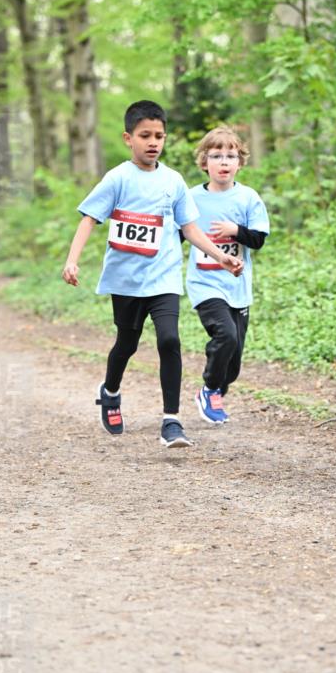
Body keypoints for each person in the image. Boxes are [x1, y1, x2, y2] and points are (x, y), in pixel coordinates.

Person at [62, 100, 243, 448]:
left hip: (163, 277)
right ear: (128, 138)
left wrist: (220, 256)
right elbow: (89, 218)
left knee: (169, 340)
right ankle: (110, 391)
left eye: (159, 135)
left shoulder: (173, 181)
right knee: (126, 344)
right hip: (126, 279)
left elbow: (191, 229)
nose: (153, 142)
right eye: (145, 135)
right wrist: (72, 260)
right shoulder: (117, 177)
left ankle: (171, 421)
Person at [185, 126, 269, 424]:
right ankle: (208, 390)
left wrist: (235, 231)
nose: (224, 162)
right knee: (226, 335)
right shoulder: (191, 197)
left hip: (237, 286)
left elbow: (258, 239)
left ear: (240, 162)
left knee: (233, 364)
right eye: (216, 155)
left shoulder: (247, 198)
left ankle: (217, 389)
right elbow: (178, 234)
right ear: (204, 162)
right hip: (204, 282)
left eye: (230, 156)